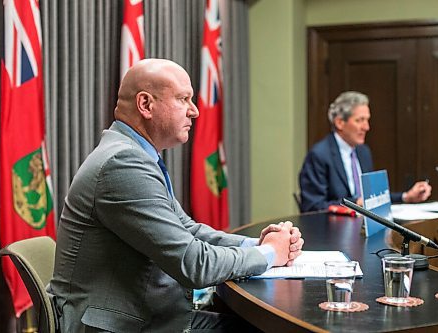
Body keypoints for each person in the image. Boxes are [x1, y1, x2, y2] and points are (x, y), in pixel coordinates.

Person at [48, 59, 304, 333]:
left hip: (146, 315)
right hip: (122, 325)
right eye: (184, 99)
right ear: (145, 105)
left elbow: (188, 229)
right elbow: (193, 264)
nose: (194, 111)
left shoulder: (135, 154)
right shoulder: (123, 164)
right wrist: (269, 253)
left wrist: (257, 243)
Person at [299, 91, 431, 212]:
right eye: (360, 120)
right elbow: (312, 207)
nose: (366, 127)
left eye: (367, 120)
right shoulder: (319, 155)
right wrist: (355, 203)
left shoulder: (363, 152)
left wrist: (406, 197)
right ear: (340, 123)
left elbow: (371, 198)